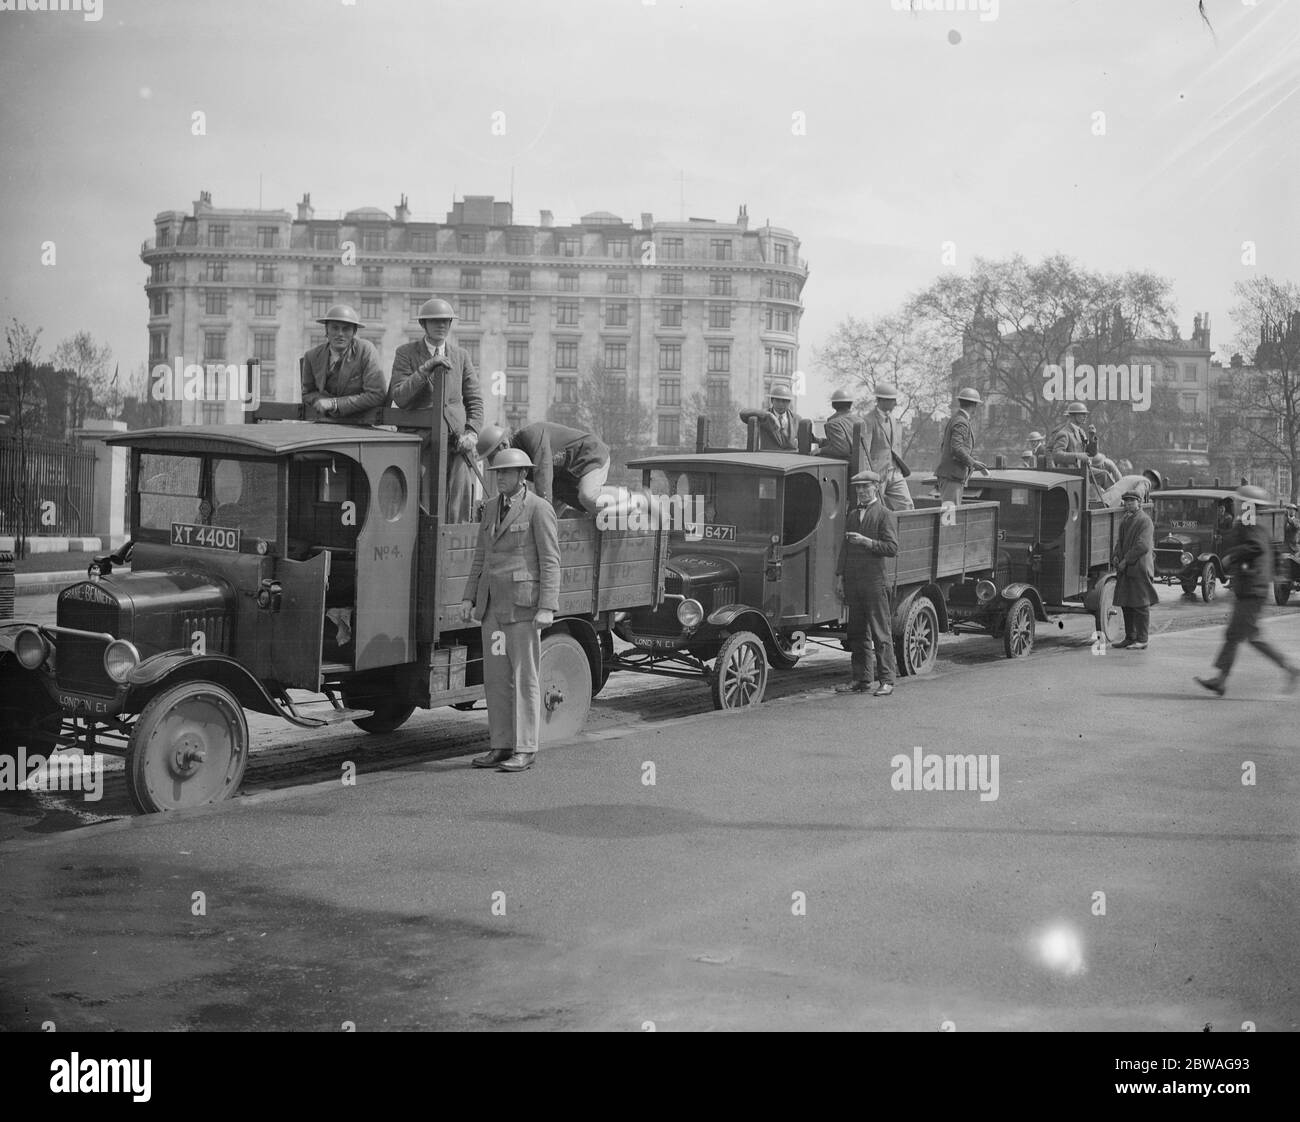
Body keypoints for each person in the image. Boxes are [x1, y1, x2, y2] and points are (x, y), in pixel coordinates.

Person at [459, 448, 561, 772]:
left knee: (525, 679)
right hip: (491, 609)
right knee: (496, 679)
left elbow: (550, 560)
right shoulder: (490, 508)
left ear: (522, 475)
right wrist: (468, 598)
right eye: (497, 473)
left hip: (522, 608)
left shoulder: (539, 509)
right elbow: (480, 556)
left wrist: (547, 606)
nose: (499, 477)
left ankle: (525, 748)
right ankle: (500, 745)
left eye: (506, 472)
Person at [1195, 486, 1300, 697]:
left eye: (1240, 501)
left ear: (1247, 504)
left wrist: (1232, 556)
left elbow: (1255, 548)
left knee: (1247, 636)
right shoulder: (1258, 524)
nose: (1238, 505)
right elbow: (1273, 553)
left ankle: (1289, 669)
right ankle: (1221, 680)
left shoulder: (1249, 522)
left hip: (1252, 590)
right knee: (1239, 635)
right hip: (1253, 588)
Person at [389, 298, 484, 522]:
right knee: (420, 506)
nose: (441, 326)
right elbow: (400, 396)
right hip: (422, 445)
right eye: (435, 321)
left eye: (445, 321)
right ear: (423, 324)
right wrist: (426, 368)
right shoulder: (406, 353)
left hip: (457, 444)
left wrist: (471, 432)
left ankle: (455, 553)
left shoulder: (461, 356)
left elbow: (475, 400)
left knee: (459, 508)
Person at [834, 469, 899, 697]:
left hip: (875, 582)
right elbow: (844, 549)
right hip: (854, 582)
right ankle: (862, 680)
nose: (861, 491)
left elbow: (892, 548)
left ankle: (887, 681)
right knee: (857, 633)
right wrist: (840, 578)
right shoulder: (852, 515)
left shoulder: (885, 514)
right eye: (858, 488)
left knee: (881, 633)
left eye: (866, 487)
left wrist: (867, 542)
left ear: (876, 488)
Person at [477, 421, 613, 517]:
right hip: (566, 477)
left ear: (504, 445)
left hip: (590, 455)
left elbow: (544, 475)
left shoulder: (531, 436)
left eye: (493, 457)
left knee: (587, 496)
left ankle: (631, 500)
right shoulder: (518, 462)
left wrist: (543, 511)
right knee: (539, 521)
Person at [300, 304, 387, 425]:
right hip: (323, 424)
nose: (340, 334)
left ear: (354, 332)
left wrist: (335, 403)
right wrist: (320, 400)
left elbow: (377, 394)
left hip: (360, 425)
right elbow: (307, 393)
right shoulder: (312, 356)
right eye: (335, 328)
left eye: (346, 329)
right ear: (326, 330)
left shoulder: (366, 350)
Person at [1110, 491, 1157, 650]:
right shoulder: (1126, 519)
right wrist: (1116, 555)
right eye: (1126, 501)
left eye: (1132, 501)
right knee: (1126, 603)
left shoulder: (1144, 520)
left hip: (1139, 568)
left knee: (1140, 604)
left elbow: (1142, 546)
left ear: (1139, 502)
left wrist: (1125, 560)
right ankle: (1130, 637)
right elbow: (1120, 542)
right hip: (1126, 567)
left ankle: (1142, 640)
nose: (1128, 504)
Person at [862, 382, 914, 511]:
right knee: (874, 508)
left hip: (895, 472)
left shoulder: (892, 418)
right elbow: (864, 451)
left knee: (906, 505)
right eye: (892, 400)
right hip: (877, 474)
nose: (895, 403)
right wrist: (870, 476)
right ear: (882, 400)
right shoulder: (868, 420)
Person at [933, 387, 988, 507]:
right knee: (949, 515)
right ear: (974, 405)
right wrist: (973, 463)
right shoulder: (961, 421)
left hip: (952, 475)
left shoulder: (956, 419)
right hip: (952, 475)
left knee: (950, 512)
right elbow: (956, 448)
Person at [739, 381, 802, 451]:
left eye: (784, 401)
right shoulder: (764, 416)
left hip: (791, 459)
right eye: (777, 400)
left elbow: (807, 438)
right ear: (772, 401)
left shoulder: (797, 419)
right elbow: (743, 414)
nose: (781, 404)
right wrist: (768, 415)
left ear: (789, 402)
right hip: (768, 458)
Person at [1049, 401, 1097, 468]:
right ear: (1073, 416)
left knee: (1104, 474)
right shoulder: (1064, 433)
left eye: (1086, 414)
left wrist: (1091, 438)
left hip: (1082, 469)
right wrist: (1077, 456)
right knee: (1103, 475)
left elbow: (1091, 454)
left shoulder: (1081, 432)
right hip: (1071, 472)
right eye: (1082, 414)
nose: (1085, 416)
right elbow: (1056, 455)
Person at [817, 387, 861, 461]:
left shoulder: (833, 424)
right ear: (851, 404)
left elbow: (842, 449)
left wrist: (821, 450)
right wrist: (819, 441)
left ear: (833, 405)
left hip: (846, 467)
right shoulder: (860, 420)